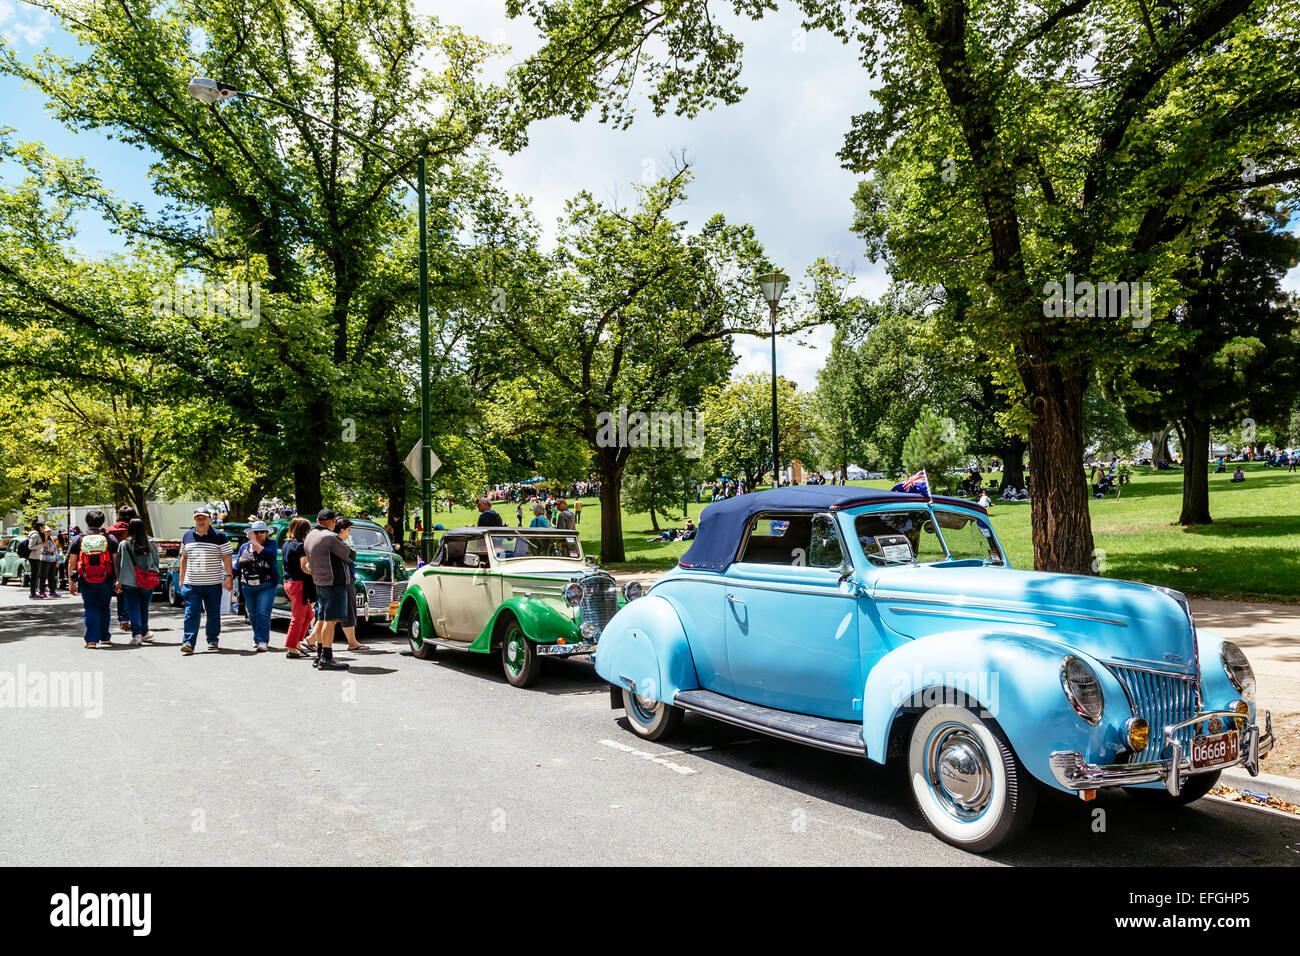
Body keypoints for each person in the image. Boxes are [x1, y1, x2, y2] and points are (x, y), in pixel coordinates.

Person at [178, 507, 233, 654]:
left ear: (210, 519)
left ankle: (212, 639)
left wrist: (229, 577)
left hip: (212, 583)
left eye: (204, 518)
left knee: (213, 613)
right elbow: (184, 558)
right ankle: (188, 642)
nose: (201, 521)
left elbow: (226, 557)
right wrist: (181, 579)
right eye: (198, 518)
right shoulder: (187, 536)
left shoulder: (219, 536)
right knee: (191, 613)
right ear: (194, 519)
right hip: (191, 584)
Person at [303, 508, 353, 671]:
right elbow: (350, 556)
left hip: (319, 581)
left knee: (323, 618)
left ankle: (319, 655)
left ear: (318, 521)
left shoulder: (310, 536)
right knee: (330, 621)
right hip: (334, 582)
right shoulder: (331, 537)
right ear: (332, 522)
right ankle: (326, 657)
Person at [66, 510, 119, 648]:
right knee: (104, 607)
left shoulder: (78, 538)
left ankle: (91, 640)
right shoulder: (110, 538)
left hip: (86, 579)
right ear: (102, 522)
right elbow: (115, 561)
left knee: (90, 607)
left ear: (87, 522)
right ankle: (105, 637)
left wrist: (71, 582)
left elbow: (72, 562)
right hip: (106, 578)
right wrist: (118, 579)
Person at [234, 520, 279, 652]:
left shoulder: (271, 544)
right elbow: (238, 565)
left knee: (262, 612)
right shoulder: (244, 547)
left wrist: (254, 542)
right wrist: (229, 578)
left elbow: (268, 555)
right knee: (252, 614)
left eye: (262, 532)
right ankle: (257, 637)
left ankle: (262, 640)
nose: (259, 534)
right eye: (255, 532)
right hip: (247, 585)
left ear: (266, 533)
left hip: (267, 584)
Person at [115, 518, 159, 646]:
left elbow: (119, 563)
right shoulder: (150, 543)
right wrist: (153, 571)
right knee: (144, 608)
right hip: (147, 581)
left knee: (133, 608)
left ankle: (137, 635)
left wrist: (119, 580)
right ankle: (144, 631)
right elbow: (155, 561)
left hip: (129, 581)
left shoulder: (124, 544)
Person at [281, 517, 317, 659]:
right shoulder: (301, 545)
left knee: (309, 614)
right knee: (298, 617)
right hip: (299, 584)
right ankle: (291, 647)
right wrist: (317, 572)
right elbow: (304, 567)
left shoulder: (286, 544)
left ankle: (297, 642)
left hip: (288, 583)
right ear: (305, 530)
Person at [334, 519, 369, 652]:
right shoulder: (337, 543)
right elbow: (351, 556)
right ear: (341, 530)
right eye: (348, 530)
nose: (349, 533)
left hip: (343, 579)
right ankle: (352, 642)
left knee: (332, 614)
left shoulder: (338, 542)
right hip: (344, 580)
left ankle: (312, 638)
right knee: (347, 611)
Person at [105, 506, 136, 631]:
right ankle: (129, 619)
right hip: (128, 565)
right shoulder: (132, 529)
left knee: (117, 593)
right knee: (129, 593)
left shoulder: (109, 530)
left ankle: (121, 619)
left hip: (110, 565)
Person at [26, 520, 56, 599]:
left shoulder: (39, 534)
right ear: (40, 527)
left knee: (35, 576)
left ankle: (33, 593)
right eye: (43, 527)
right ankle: (32, 593)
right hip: (33, 557)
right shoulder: (35, 535)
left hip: (37, 557)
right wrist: (42, 545)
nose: (44, 528)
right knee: (34, 576)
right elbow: (30, 546)